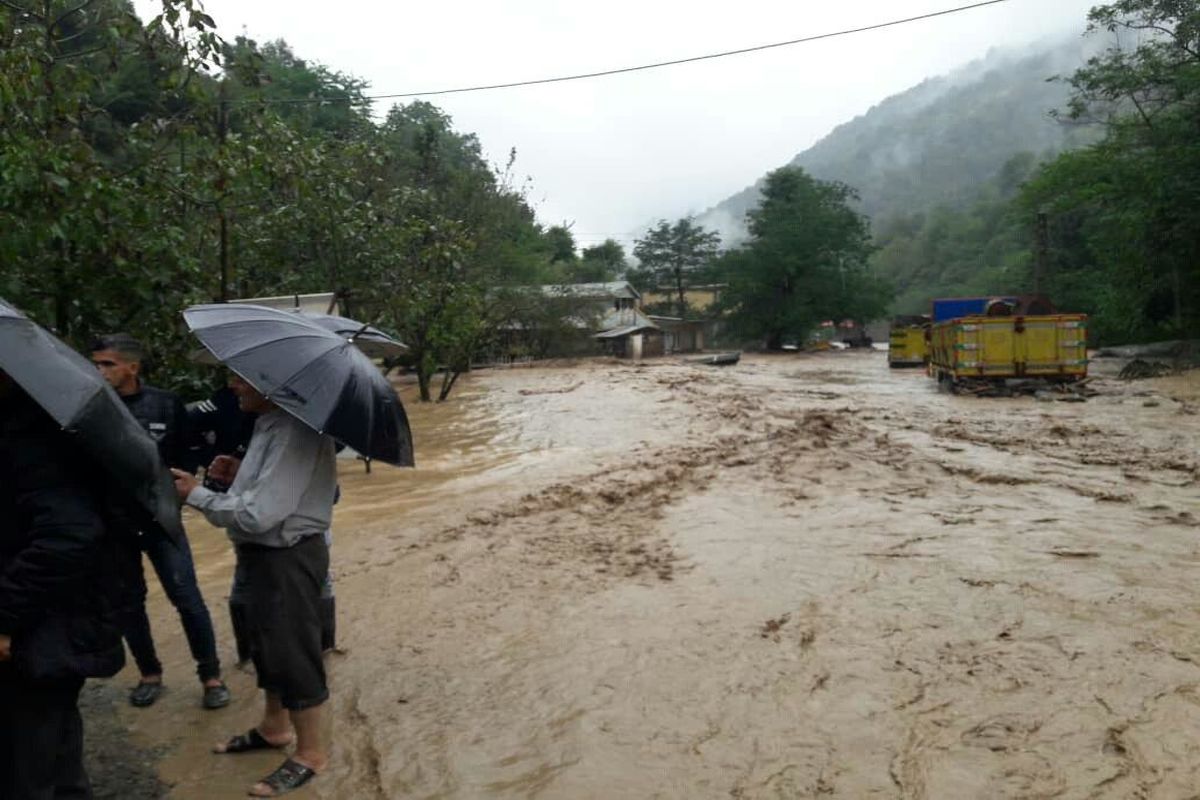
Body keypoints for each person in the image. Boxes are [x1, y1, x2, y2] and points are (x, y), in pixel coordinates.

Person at [173, 373, 336, 797]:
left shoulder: (296, 431)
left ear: (272, 383)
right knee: (263, 644)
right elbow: (269, 493)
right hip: (259, 556)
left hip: (286, 558)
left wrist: (196, 494)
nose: (233, 387)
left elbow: (260, 516)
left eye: (242, 380)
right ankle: (274, 727)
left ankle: (312, 753)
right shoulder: (270, 423)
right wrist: (239, 474)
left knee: (293, 651)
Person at [0, 369, 137, 799]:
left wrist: (4, 616)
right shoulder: (36, 427)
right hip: (51, 623)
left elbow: (69, 535)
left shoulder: (32, 440)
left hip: (43, 627)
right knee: (54, 751)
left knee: (28, 765)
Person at [91, 334, 229, 710]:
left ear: (131, 367)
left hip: (162, 521)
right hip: (114, 523)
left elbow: (190, 454)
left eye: (107, 364)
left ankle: (211, 676)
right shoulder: (92, 407)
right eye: (96, 364)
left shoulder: (166, 404)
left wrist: (172, 485)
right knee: (128, 603)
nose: (99, 371)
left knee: (187, 597)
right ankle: (149, 673)